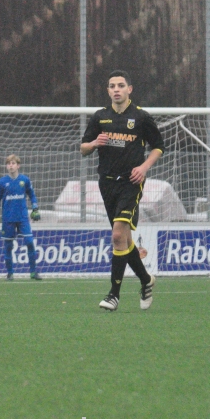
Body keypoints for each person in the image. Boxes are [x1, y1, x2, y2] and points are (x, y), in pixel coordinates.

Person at [81, 70, 164, 311]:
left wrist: (144, 167)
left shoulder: (140, 117)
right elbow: (83, 148)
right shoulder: (100, 117)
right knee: (124, 240)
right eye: (112, 86)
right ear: (107, 91)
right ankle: (146, 280)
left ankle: (113, 295)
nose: (116, 89)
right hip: (107, 183)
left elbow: (159, 146)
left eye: (120, 85)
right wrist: (94, 143)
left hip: (131, 182)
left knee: (117, 236)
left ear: (130, 89)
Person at [0, 154, 42, 281]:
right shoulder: (2, 182)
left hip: (23, 218)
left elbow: (32, 194)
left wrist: (35, 208)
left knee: (30, 243)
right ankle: (10, 273)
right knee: (8, 246)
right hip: (8, 219)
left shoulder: (24, 180)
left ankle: (33, 272)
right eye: (8, 163)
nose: (11, 166)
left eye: (13, 163)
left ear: (18, 165)